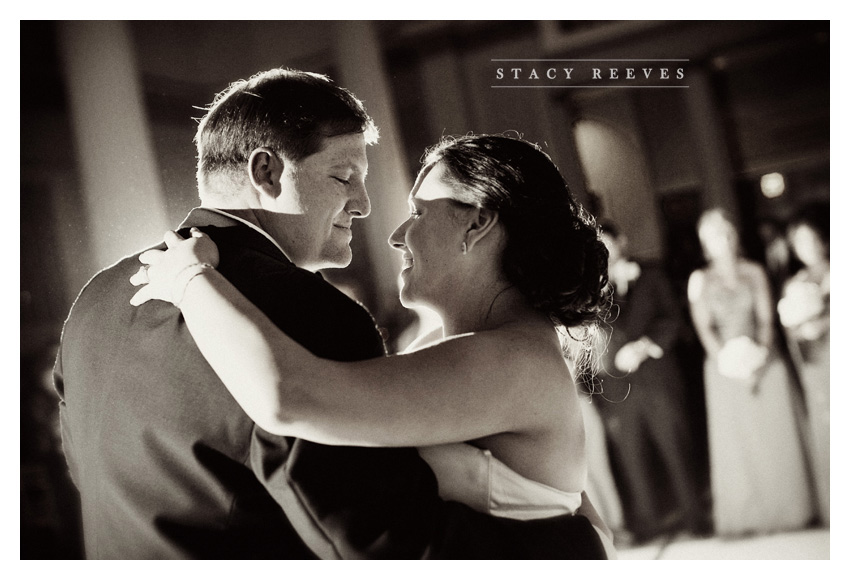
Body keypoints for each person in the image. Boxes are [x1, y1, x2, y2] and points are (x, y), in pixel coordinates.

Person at [54, 69, 609, 559]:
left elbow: (86, 471)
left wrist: (192, 279)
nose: (373, 213)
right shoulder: (307, 313)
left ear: (481, 225)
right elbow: (368, 538)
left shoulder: (97, 301)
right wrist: (573, 548)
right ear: (267, 173)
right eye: (344, 177)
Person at [687, 208, 813, 536]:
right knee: (739, 443)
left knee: (772, 437)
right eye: (712, 237)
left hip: (764, 360)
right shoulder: (700, 280)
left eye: (724, 233)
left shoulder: (754, 272)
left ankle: (788, 510)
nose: (721, 241)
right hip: (722, 369)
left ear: (733, 235)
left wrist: (759, 355)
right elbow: (704, 329)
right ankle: (750, 514)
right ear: (705, 244)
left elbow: (767, 319)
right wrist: (728, 361)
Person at [592, 222, 705, 544]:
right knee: (632, 457)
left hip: (658, 379)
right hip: (616, 388)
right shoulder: (589, 288)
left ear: (621, 241)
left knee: (675, 447)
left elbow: (673, 319)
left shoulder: (652, 275)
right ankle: (649, 525)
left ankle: (695, 517)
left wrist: (644, 346)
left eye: (607, 243)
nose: (603, 250)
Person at [778, 204, 830, 526]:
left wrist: (825, 320)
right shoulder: (795, 283)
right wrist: (801, 328)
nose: (806, 248)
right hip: (815, 363)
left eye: (810, 240)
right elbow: (791, 328)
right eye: (799, 243)